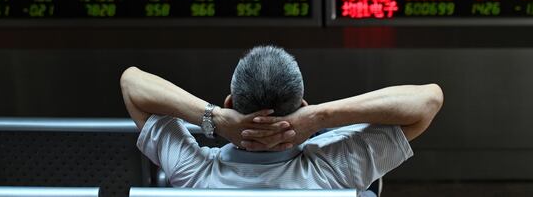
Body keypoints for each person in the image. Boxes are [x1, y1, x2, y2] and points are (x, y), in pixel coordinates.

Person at [120, 45, 443, 196]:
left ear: (231, 103)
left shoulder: (194, 172)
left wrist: (215, 118)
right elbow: (428, 100)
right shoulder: (337, 169)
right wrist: (320, 116)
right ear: (301, 105)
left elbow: (132, 83)